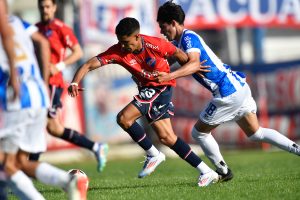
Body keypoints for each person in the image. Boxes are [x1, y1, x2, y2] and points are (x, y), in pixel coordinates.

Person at [156, 0, 300, 182]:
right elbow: (182, 60)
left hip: (228, 92)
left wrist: (169, 77)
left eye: (163, 26)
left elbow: (193, 63)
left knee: (199, 133)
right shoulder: (182, 42)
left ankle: (222, 172)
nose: (161, 31)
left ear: (174, 23)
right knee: (256, 133)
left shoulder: (187, 37)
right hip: (238, 87)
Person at [68, 17, 219, 187]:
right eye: (120, 42)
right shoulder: (118, 51)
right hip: (147, 89)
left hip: (161, 87)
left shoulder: (156, 44)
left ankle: (153, 154)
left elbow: (178, 54)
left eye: (126, 42)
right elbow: (88, 64)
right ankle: (207, 171)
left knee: (124, 118)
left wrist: (192, 67)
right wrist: (74, 82)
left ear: (137, 36)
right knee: (167, 137)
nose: (123, 46)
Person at [0, 10, 87, 200]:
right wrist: (42, 80)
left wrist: (14, 77)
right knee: (19, 163)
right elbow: (42, 42)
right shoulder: (16, 22)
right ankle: (69, 181)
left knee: (5, 164)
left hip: (15, 100)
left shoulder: (5, 29)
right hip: (38, 95)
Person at [32, 0, 108, 173]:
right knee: (54, 128)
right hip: (37, 83)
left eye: (48, 6)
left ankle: (29, 170)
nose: (45, 10)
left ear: (54, 8)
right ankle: (96, 147)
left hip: (52, 83)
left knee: (38, 124)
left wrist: (57, 66)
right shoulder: (35, 29)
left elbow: (78, 52)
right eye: (42, 6)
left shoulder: (61, 28)